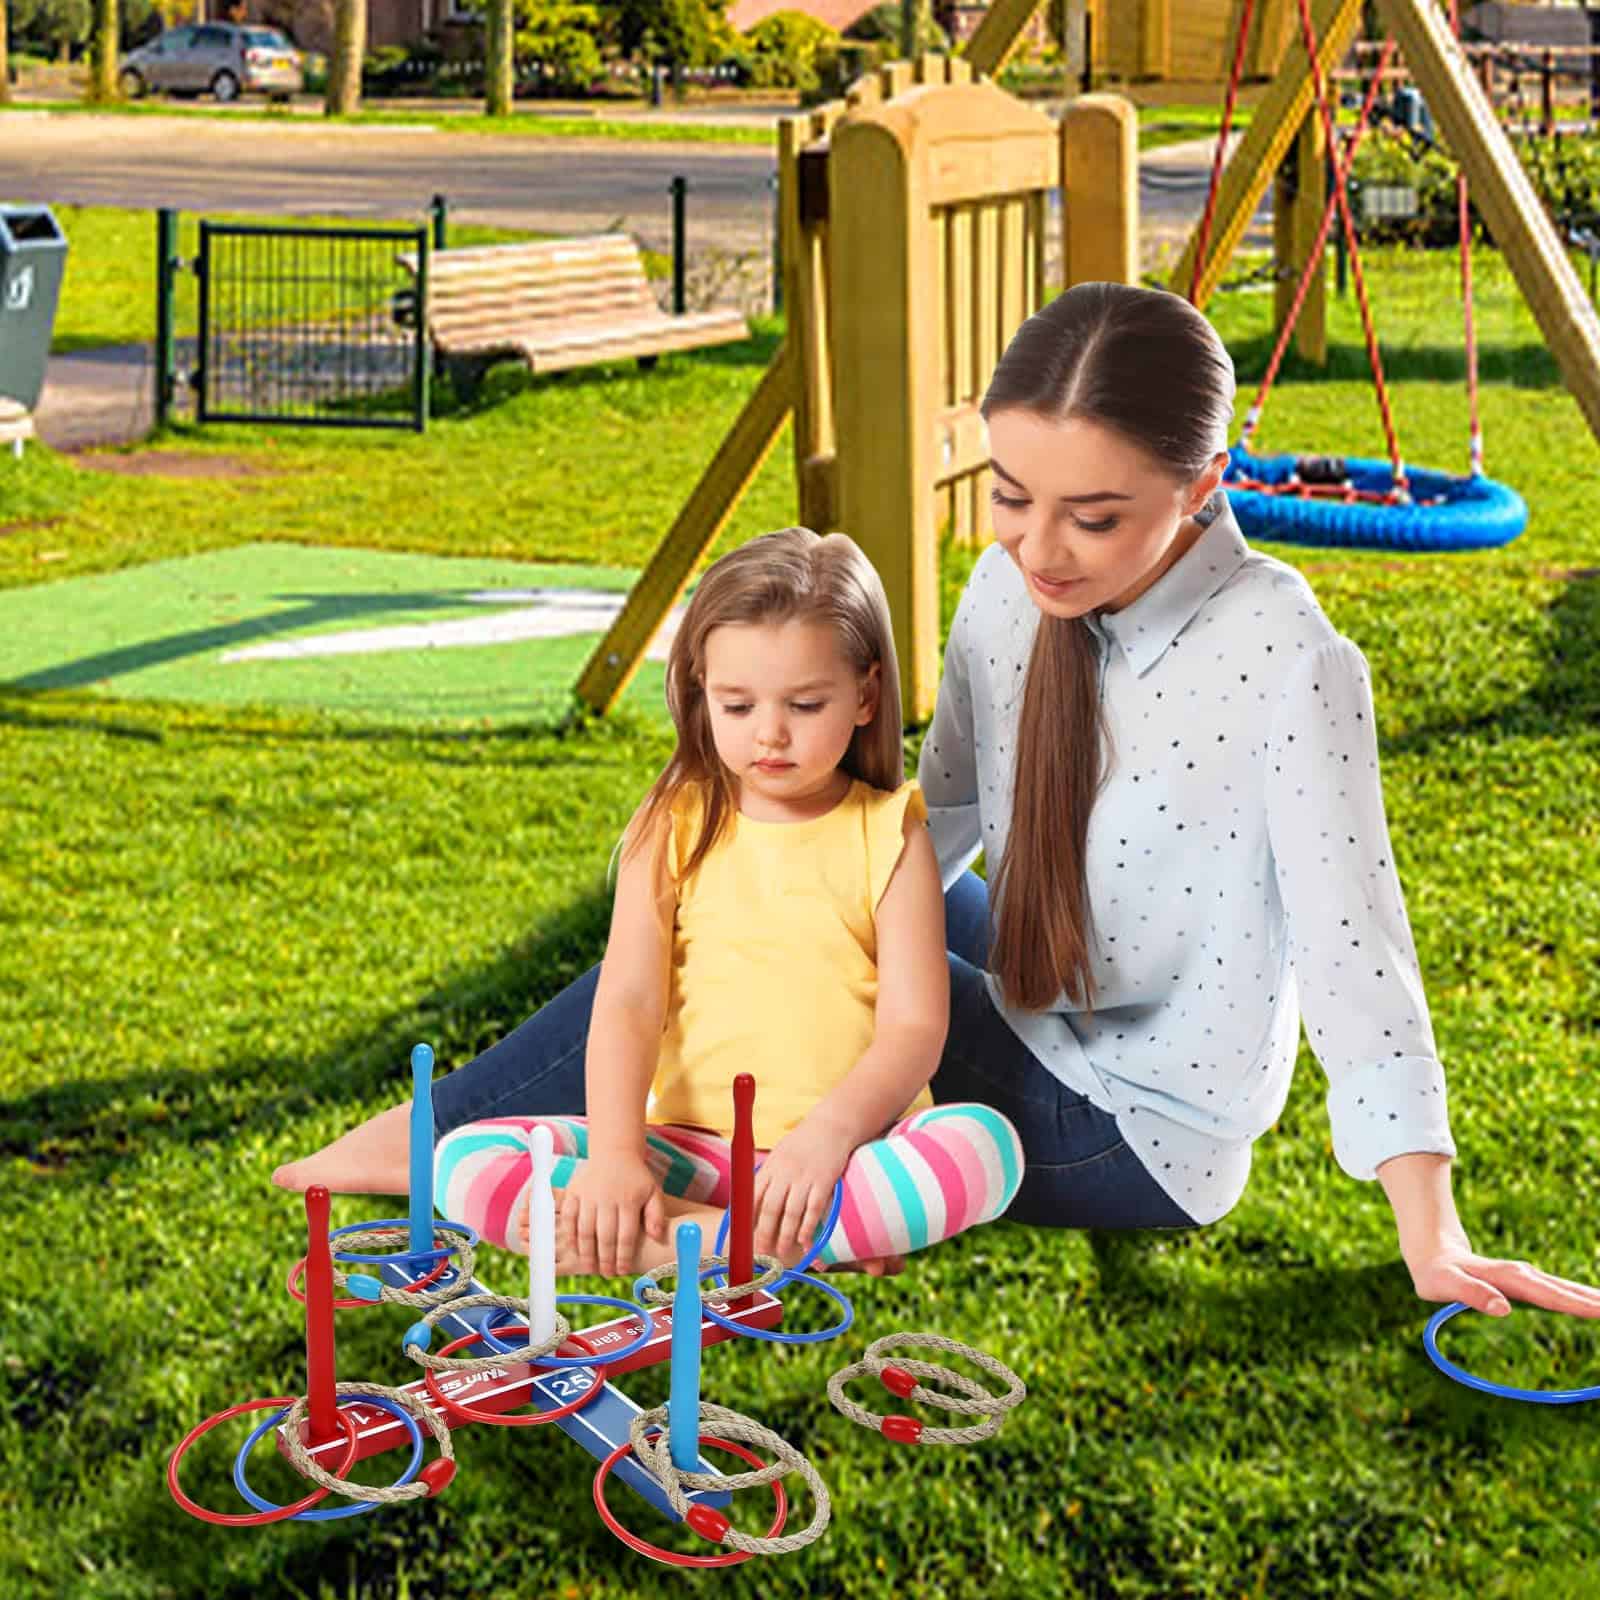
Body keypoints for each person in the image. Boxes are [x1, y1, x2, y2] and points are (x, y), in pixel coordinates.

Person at [276, 283, 1600, 1321]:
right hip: (1029, 987)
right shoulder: (1001, 589)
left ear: (1204, 491)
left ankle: (450, 1143)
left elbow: (1356, 949)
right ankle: (499, 1124)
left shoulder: (1289, 663)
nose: (1037, 548)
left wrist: (1430, 1228)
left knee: (768, 939)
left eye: (1094, 517)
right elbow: (940, 818)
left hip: (1131, 1124)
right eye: (1013, 496)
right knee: (738, 892)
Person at [279, 527, 1024, 1277]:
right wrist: (615, 1157)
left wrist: (827, 1138)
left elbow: (914, 1026)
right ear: (701, 693)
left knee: (981, 1152)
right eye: (736, 706)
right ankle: (768, 1243)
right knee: (469, 1163)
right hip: (688, 1149)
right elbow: (629, 999)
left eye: (804, 703)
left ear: (865, 694)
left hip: (842, 1152)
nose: (769, 733)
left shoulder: (891, 832)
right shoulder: (674, 823)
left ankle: (689, 1241)